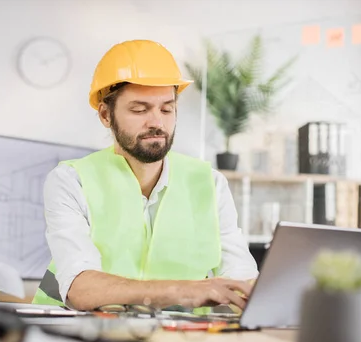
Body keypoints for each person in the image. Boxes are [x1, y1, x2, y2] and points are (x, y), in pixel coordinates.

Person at [32, 39, 258, 311]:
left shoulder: (211, 184)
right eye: (139, 110)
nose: (157, 123)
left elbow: (242, 279)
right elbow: (81, 287)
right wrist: (184, 290)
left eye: (167, 109)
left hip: (182, 340)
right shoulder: (71, 180)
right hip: (75, 336)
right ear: (105, 115)